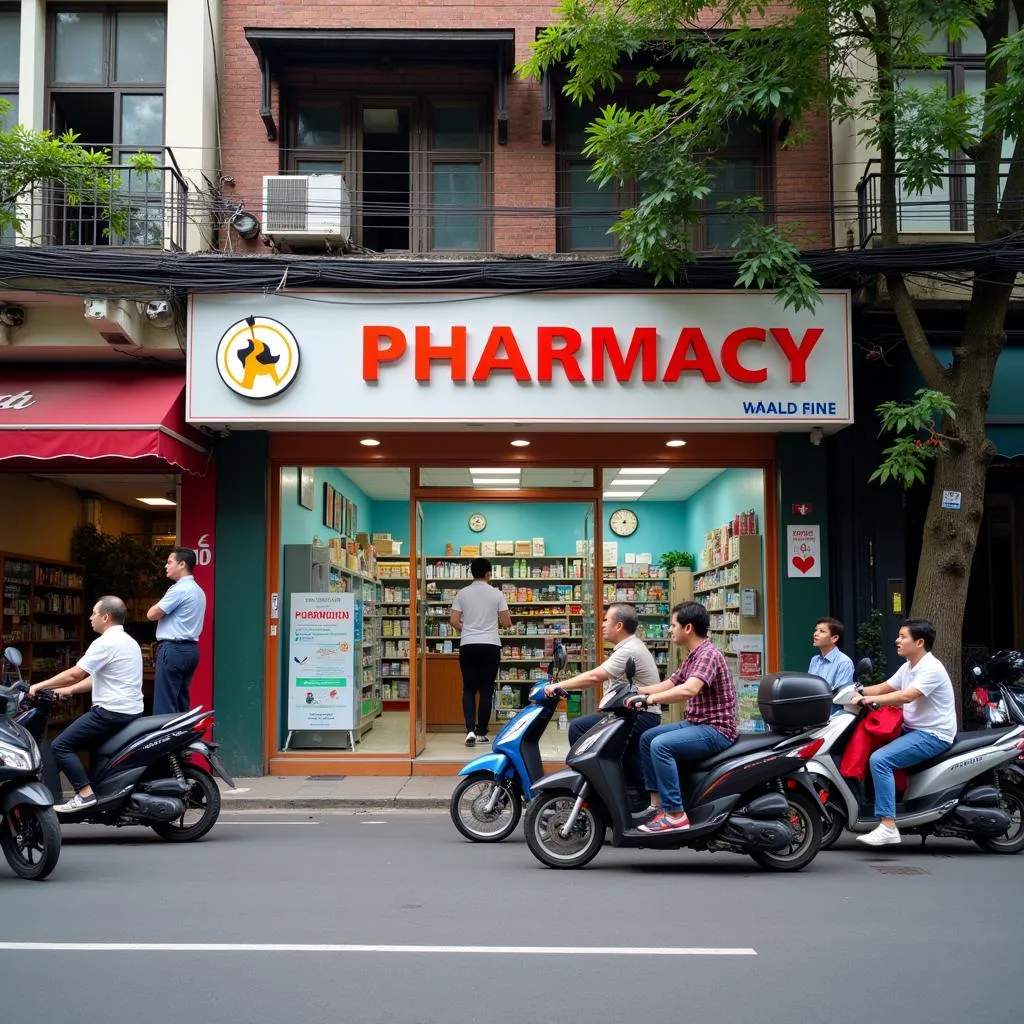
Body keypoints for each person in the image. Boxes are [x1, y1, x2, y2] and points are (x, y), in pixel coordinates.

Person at [630, 600, 739, 834]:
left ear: (687, 628)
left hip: (716, 729)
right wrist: (635, 693)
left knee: (661, 746)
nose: (670, 630)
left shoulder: (708, 654)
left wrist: (649, 701)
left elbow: (688, 689)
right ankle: (656, 806)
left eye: (672, 625)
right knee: (648, 738)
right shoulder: (693, 655)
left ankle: (675, 814)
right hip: (697, 723)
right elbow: (670, 683)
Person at [28, 595, 143, 812]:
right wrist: (69, 690)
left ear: (106, 617)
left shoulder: (105, 643)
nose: (90, 618)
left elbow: (75, 674)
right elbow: (99, 677)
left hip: (110, 713)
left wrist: (38, 686)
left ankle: (84, 794)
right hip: (129, 712)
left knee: (60, 745)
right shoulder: (130, 642)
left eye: (94, 613)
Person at [851, 618, 957, 846]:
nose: (897, 640)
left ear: (919, 642)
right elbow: (883, 687)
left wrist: (870, 700)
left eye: (902, 636)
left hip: (933, 734)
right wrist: (852, 691)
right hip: (911, 729)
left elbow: (906, 695)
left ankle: (888, 825)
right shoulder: (908, 666)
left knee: (880, 760)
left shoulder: (931, 668)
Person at [544, 602, 661, 792]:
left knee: (579, 727)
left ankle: (596, 782)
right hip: (632, 712)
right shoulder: (628, 646)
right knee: (625, 753)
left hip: (640, 715)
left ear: (619, 625)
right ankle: (618, 788)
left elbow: (595, 676)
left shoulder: (628, 649)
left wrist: (559, 684)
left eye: (606, 620)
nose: (602, 625)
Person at [450, 557, 512, 745]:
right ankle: (482, 732)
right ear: (487, 574)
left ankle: (469, 730)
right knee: (486, 690)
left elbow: (453, 621)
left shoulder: (462, 593)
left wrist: (467, 629)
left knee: (468, 689)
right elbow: (506, 622)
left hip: (468, 645)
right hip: (490, 645)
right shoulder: (496, 594)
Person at [147, 547, 207, 715]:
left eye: (169, 562)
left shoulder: (179, 589)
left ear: (182, 564)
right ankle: (183, 739)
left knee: (165, 705)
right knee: (182, 702)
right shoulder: (198, 591)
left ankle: (166, 740)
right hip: (191, 650)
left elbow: (151, 614)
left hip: (173, 649)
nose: (166, 566)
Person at [808, 617, 855, 694]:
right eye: (816, 630)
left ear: (834, 638)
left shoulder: (844, 662)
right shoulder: (814, 660)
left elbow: (840, 694)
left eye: (822, 631)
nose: (815, 634)